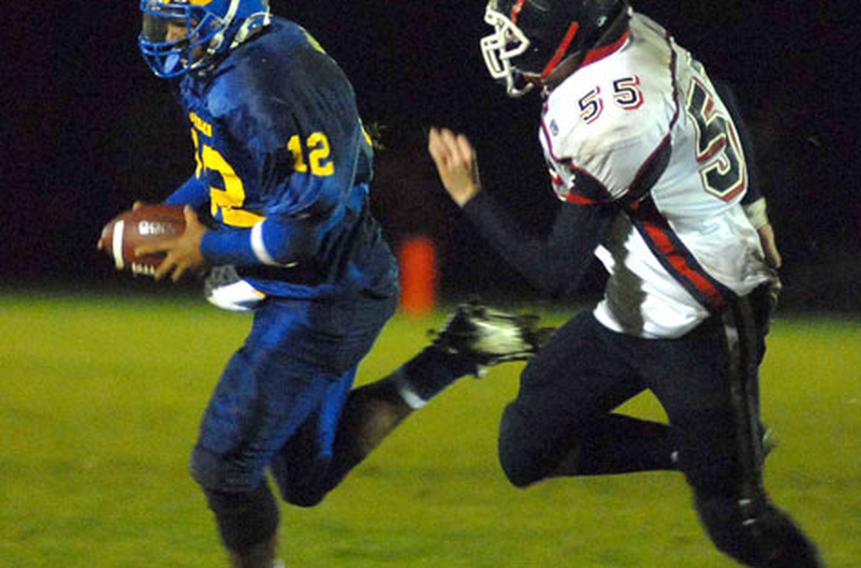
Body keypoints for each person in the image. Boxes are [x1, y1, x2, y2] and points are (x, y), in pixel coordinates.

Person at [124, 1, 552, 566]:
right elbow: (224, 165)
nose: (168, 35)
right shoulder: (235, 61)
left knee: (223, 465)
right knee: (304, 478)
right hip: (318, 284)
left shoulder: (266, 83)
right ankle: (458, 352)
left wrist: (201, 245)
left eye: (179, 21)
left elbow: (295, 238)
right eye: (164, 19)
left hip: (325, 296)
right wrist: (169, 214)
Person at [428, 1, 824, 566]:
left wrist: (469, 196)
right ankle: (697, 450)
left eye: (521, 35)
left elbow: (555, 273)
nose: (510, 46)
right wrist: (755, 207)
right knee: (526, 448)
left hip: (704, 311)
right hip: (637, 297)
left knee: (735, 514)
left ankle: (723, 464)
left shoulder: (612, 119)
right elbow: (725, 94)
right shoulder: (631, 34)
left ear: (567, 35)